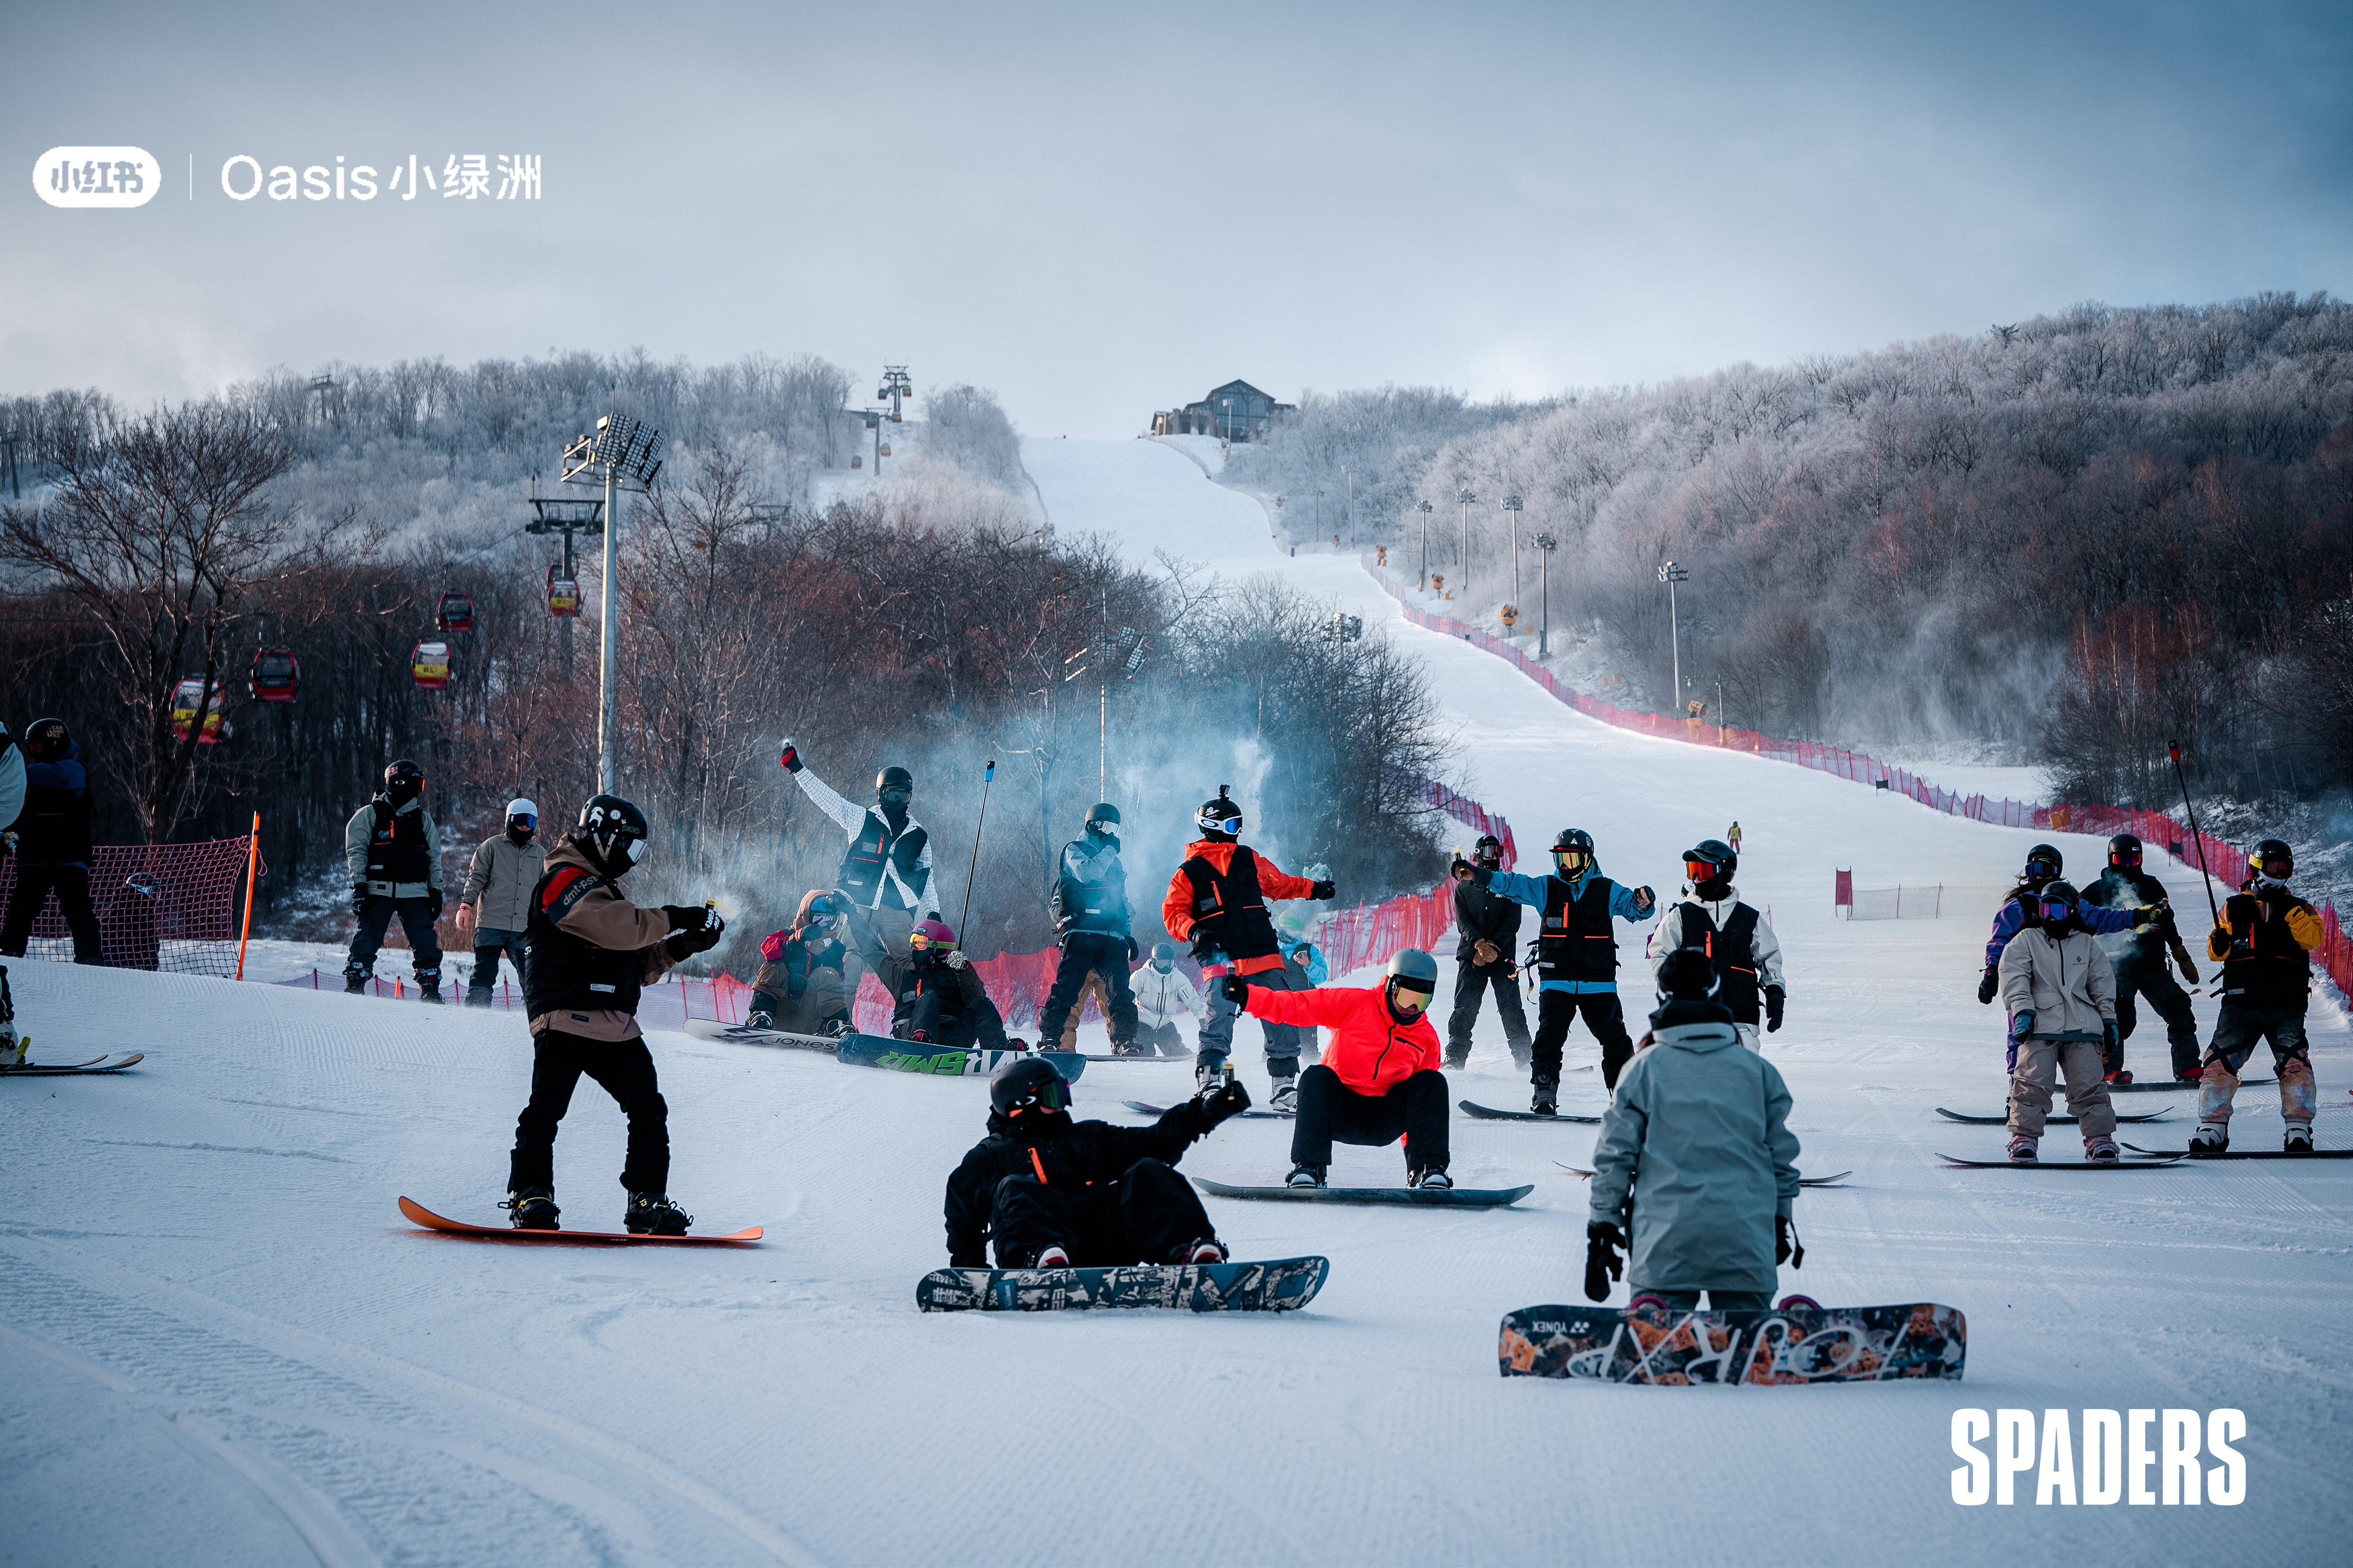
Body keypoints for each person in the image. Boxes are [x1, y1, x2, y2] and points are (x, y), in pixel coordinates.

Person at [507, 794, 726, 1233]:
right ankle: (531, 1194)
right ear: (606, 838)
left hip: (615, 1026)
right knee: (545, 1111)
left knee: (648, 1109)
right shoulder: (561, 880)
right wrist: (676, 916)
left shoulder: (604, 893)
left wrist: (681, 946)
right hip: (565, 1017)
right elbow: (620, 929)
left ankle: (647, 1200)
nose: (632, 860)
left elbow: (633, 964)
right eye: (630, 848)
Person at [1584, 948, 1802, 1310]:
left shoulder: (1643, 1069)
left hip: (1665, 1242)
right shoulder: (1755, 1071)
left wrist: (1602, 1228)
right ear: (1716, 994)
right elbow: (1780, 1156)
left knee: (1662, 1348)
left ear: (1662, 997)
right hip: (1744, 1239)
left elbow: (1615, 1158)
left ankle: (1657, 1334)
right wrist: (1781, 1217)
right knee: (1743, 1349)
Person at [943, 1056, 1251, 1268]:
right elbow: (964, 1226)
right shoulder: (985, 1159)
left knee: (1148, 1170)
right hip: (1038, 1250)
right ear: (1021, 1104)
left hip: (1106, 1244)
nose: (1062, 1103)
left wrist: (1208, 1112)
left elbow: (1155, 1144)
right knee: (1017, 1187)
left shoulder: (1085, 1136)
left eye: (1063, 1092)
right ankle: (1043, 1259)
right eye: (1053, 1095)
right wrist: (971, 1274)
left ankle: (1189, 1251)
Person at [1160, 785, 1336, 1108]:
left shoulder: (1247, 858)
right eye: (1231, 826)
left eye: (1239, 825)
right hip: (1221, 957)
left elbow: (1280, 884)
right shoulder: (1190, 872)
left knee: (1283, 1014)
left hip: (1261, 952)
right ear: (1212, 826)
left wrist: (1315, 889)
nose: (1237, 832)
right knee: (1219, 1019)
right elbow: (1173, 914)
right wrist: (1195, 932)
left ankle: (1284, 1087)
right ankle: (1210, 1082)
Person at [1456, 828, 1655, 1109]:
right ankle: (1544, 1092)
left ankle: (1626, 1099)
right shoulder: (1546, 888)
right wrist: (1477, 875)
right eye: (1561, 860)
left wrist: (1643, 902)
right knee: (1549, 1036)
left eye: (1572, 860)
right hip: (1557, 979)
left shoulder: (1606, 890)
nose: (1565, 867)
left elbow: (1634, 908)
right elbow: (1510, 884)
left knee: (1616, 1041)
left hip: (1598, 983)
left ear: (1587, 860)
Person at [1226, 948, 1450, 1190]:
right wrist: (1248, 997)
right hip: (1339, 1112)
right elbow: (1297, 1006)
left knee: (1432, 1082)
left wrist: (1416, 1159)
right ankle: (1310, 1168)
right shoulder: (1355, 1004)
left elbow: (1422, 1105)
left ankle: (1428, 1171)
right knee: (1316, 1076)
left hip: (1385, 1119)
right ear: (1390, 986)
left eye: (1422, 1000)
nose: (1412, 1008)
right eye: (1406, 997)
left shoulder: (1426, 1039)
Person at [777, 739, 939, 991]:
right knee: (851, 959)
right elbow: (829, 800)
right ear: (881, 793)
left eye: (903, 794)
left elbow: (926, 877)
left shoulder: (918, 835)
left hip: (897, 909)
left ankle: (914, 1019)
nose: (898, 800)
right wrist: (798, 769)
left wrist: (933, 913)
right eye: (892, 793)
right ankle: (840, 1024)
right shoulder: (862, 819)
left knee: (908, 962)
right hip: (858, 905)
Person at [2194, 839, 2321, 1155]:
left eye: (2284, 868)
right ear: (2255, 868)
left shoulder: (2301, 908)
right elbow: (2215, 953)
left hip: (2285, 1003)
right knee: (2218, 1063)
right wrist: (2220, 941)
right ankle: (2212, 1127)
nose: (2277, 874)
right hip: (2241, 1002)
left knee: (2295, 1064)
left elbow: (2313, 939)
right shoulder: (2233, 906)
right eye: (2271, 867)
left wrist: (2290, 912)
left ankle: (2298, 1129)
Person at [1997, 879, 2121, 1163]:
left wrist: (2109, 1019)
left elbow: (2102, 983)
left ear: (2073, 911)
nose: (2052, 918)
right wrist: (2023, 1012)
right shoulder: (2027, 940)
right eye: (2046, 910)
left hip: (2082, 1026)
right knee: (2031, 1084)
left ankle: (2099, 1139)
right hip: (2039, 1025)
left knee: (2090, 1085)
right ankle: (2024, 1138)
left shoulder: (2086, 943)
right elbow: (2015, 978)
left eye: (2059, 911)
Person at [2079, 832, 2201, 1085]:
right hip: (2115, 964)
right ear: (2111, 860)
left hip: (2152, 963)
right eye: (2121, 860)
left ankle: (2187, 1066)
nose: (2127, 866)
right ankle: (2109, 1069)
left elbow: (2167, 920)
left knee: (2178, 1007)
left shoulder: (2152, 886)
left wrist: (2180, 951)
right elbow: (2078, 922)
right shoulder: (2096, 891)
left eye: (2133, 860)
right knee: (2115, 1013)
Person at [1647, 839, 1784, 1051]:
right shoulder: (1681, 917)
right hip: (1690, 1018)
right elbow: (1660, 953)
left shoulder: (1749, 918)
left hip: (1740, 1019)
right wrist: (1673, 986)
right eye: (1692, 871)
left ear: (1724, 872)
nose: (1696, 879)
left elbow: (1769, 957)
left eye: (1703, 871)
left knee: (1741, 1079)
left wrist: (1775, 990)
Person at [1978, 842, 2149, 1010]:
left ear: (2056, 872)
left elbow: (2101, 918)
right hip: (2033, 975)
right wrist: (1992, 972)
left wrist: (2135, 917)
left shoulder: (2071, 902)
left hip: (2070, 975)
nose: (2038, 877)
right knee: (2027, 1023)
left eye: (2044, 871)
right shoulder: (2018, 906)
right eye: (2033, 871)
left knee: (2075, 1023)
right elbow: (2000, 941)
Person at [1036, 803, 1141, 1053]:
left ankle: (1124, 1040)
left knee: (1120, 991)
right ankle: (1051, 1038)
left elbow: (1121, 900)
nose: (1111, 833)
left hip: (1111, 935)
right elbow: (1088, 873)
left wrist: (1127, 933)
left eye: (1115, 828)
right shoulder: (1075, 850)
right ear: (1093, 825)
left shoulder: (1113, 861)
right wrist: (1108, 852)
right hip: (1081, 933)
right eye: (1106, 826)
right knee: (1068, 988)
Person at [1, 718, 104, 964]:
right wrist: (9, 841)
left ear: (55, 744)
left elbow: (51, 775)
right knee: (21, 912)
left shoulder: (72, 770)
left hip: (68, 859)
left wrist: (12, 772)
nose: (35, 754)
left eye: (39, 747)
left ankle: (91, 960)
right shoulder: (28, 784)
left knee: (78, 911)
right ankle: (9, 955)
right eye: (31, 748)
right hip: (34, 858)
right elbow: (20, 818)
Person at [342, 759, 446, 1000]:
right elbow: (356, 850)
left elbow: (434, 858)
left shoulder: (423, 820)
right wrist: (359, 885)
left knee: (425, 940)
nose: (420, 789)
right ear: (401, 782)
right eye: (417, 783)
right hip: (378, 890)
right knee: (368, 936)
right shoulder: (371, 814)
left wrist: (436, 891)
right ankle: (356, 982)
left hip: (416, 892)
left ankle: (430, 989)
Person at [1446, 834, 1532, 1070]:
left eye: (1498, 852)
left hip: (1502, 957)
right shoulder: (1465, 885)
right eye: (1489, 852)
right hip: (1471, 956)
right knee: (1465, 1005)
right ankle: (1455, 1058)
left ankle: (1525, 1058)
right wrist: (1478, 944)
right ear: (1478, 854)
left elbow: (1513, 921)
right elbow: (1463, 921)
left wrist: (1494, 945)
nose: (1494, 857)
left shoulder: (1507, 883)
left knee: (1511, 1006)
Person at [456, 797, 545, 1007]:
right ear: (509, 821)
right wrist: (466, 906)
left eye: (530, 822)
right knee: (484, 972)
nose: (524, 826)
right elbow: (476, 877)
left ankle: (534, 1014)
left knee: (531, 973)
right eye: (520, 820)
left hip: (524, 927)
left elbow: (547, 891)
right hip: (491, 923)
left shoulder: (541, 855)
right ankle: (477, 1010)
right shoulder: (491, 847)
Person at [876, 916, 1013, 1049]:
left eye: (920, 943)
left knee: (983, 1003)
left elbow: (976, 997)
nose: (914, 948)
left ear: (938, 947)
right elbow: (874, 952)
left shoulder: (956, 975)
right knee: (928, 996)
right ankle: (920, 1039)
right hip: (911, 1032)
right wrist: (854, 917)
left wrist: (964, 970)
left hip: (953, 1035)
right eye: (914, 941)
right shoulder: (904, 976)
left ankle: (998, 1049)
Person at [746, 890, 853, 1035]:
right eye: (819, 920)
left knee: (827, 974)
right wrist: (794, 941)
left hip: (810, 1018)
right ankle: (761, 1015)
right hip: (779, 1012)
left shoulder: (834, 949)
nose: (824, 927)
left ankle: (836, 1025)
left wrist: (832, 968)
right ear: (806, 916)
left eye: (830, 921)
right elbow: (767, 950)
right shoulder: (787, 936)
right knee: (773, 966)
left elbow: (838, 984)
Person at [1130, 941, 1204, 1056]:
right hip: (1143, 1024)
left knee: (1179, 1054)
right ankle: (1138, 1053)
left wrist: (1202, 1019)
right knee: (1145, 1054)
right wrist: (1128, 1021)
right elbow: (1127, 998)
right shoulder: (1141, 976)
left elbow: (1192, 999)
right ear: (1154, 961)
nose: (1165, 967)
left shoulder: (1177, 978)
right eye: (1161, 963)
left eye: (1168, 964)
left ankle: (1191, 1061)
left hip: (1165, 1024)